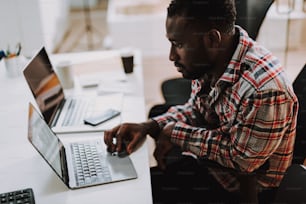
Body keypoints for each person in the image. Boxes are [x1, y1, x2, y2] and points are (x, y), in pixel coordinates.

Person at [104, 0, 299, 203]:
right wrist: (149, 126)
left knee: (138, 195)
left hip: (241, 190)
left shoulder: (266, 91)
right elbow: (196, 109)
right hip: (216, 169)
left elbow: (241, 160)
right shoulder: (214, 58)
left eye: (178, 45)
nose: (171, 56)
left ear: (212, 39)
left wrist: (174, 133)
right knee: (136, 182)